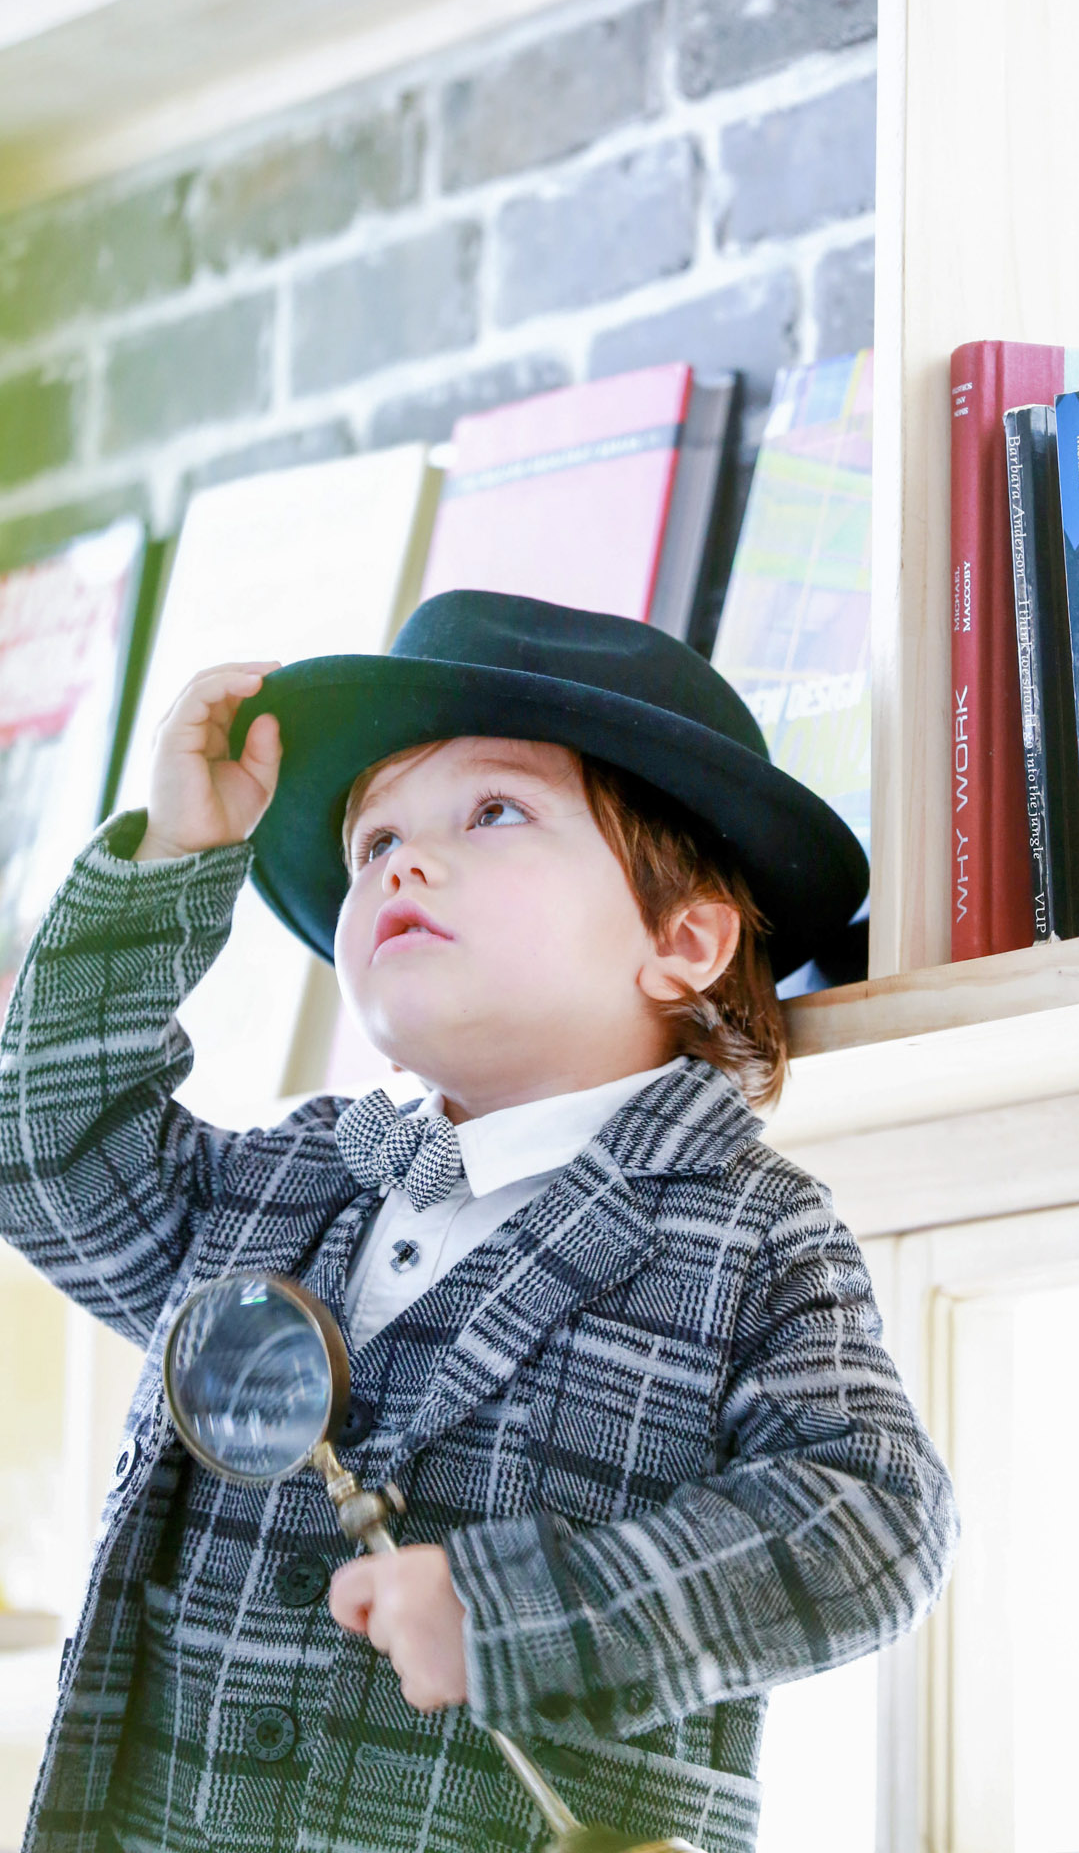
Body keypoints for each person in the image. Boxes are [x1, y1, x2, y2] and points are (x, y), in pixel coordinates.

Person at [0, 588, 958, 1853]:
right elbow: (47, 1145)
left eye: (493, 810)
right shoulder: (287, 1185)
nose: (402, 857)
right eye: (372, 838)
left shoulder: (750, 1236)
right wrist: (170, 864)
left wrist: (521, 1615)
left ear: (683, 939)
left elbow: (870, 1524)